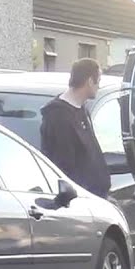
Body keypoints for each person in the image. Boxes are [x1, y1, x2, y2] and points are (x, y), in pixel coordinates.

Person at [39, 58, 111, 198]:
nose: (99, 86)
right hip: (78, 199)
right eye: (98, 81)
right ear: (90, 81)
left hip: (97, 197)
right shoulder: (58, 116)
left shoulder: (81, 110)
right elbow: (64, 165)